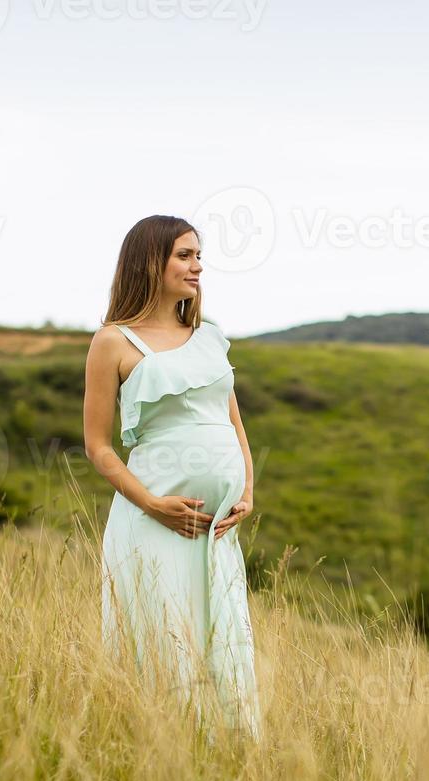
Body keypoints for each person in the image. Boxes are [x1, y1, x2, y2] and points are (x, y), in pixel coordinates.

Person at [83, 214, 262, 740]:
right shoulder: (112, 342)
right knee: (165, 643)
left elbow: (233, 421)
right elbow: (97, 446)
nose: (197, 266)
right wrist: (152, 503)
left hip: (214, 531)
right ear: (149, 261)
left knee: (219, 643)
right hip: (153, 524)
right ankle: (156, 753)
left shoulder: (208, 338)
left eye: (199, 256)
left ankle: (225, 759)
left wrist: (247, 490)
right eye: (184, 255)